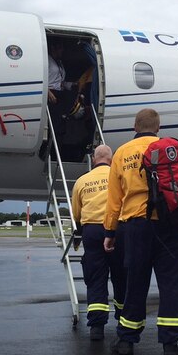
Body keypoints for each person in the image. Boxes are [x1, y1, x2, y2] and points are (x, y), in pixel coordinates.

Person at [103, 108, 178, 355]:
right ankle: (170, 345)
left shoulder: (121, 153)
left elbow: (114, 199)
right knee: (173, 283)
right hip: (171, 224)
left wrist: (110, 230)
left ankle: (126, 341)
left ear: (134, 127)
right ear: (158, 128)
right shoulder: (172, 148)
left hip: (135, 226)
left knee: (135, 282)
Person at [71, 144, 125, 341]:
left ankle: (96, 327)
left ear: (94, 159)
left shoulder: (81, 181)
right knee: (121, 275)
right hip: (117, 229)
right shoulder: (119, 176)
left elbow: (76, 212)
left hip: (91, 231)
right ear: (111, 160)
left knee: (95, 278)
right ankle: (122, 319)